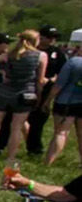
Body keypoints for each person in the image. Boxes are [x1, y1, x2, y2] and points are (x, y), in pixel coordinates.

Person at [0, 30, 49, 166]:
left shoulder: (9, 55)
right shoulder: (41, 56)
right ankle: (10, 157)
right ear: (35, 41)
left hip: (4, 92)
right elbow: (39, 80)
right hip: (25, 94)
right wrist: (39, 97)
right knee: (16, 127)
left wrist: (1, 71)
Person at [28, 27, 67, 156]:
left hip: (47, 88)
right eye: (49, 37)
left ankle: (34, 147)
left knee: (39, 118)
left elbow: (63, 71)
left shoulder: (57, 53)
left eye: (54, 38)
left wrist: (52, 79)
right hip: (29, 85)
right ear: (41, 37)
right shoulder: (32, 50)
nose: (52, 40)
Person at [43, 46, 82, 168]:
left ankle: (49, 162)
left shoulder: (73, 62)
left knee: (61, 133)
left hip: (66, 102)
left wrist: (47, 100)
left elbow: (59, 84)